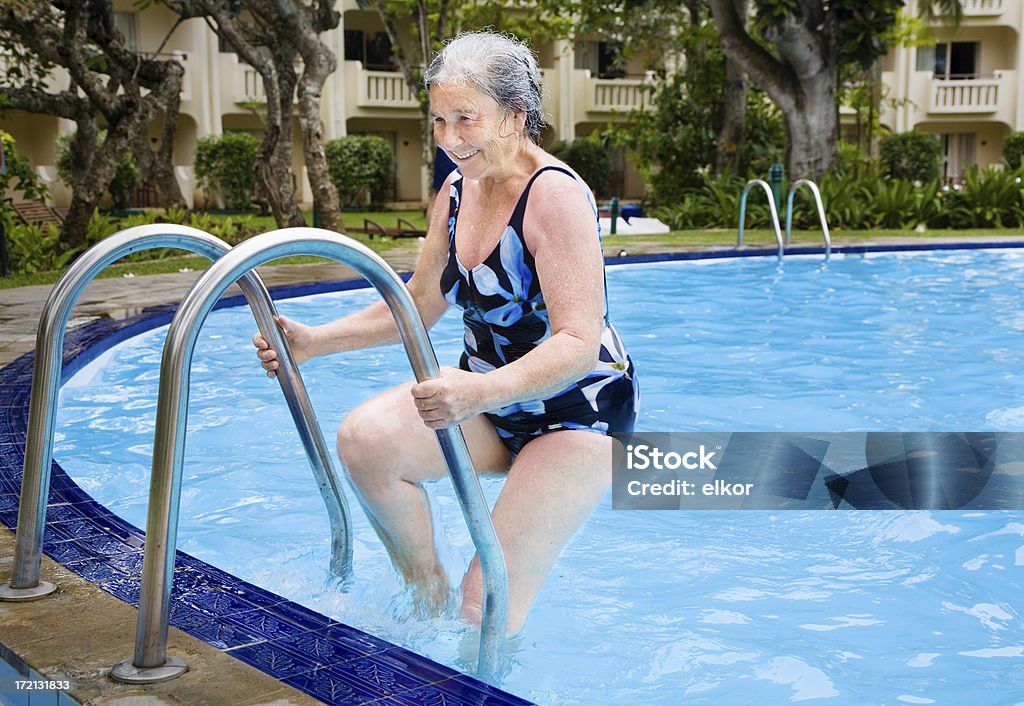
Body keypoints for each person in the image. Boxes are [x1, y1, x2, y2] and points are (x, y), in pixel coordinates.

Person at [253, 31, 638, 635]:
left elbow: (577, 342)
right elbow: (417, 305)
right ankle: (423, 590)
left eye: (466, 119)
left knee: (486, 600)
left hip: (575, 412)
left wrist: (476, 394)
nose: (450, 139)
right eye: (438, 120)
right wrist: (312, 342)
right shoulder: (456, 191)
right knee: (366, 441)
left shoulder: (555, 197)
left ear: (514, 117)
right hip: (487, 402)